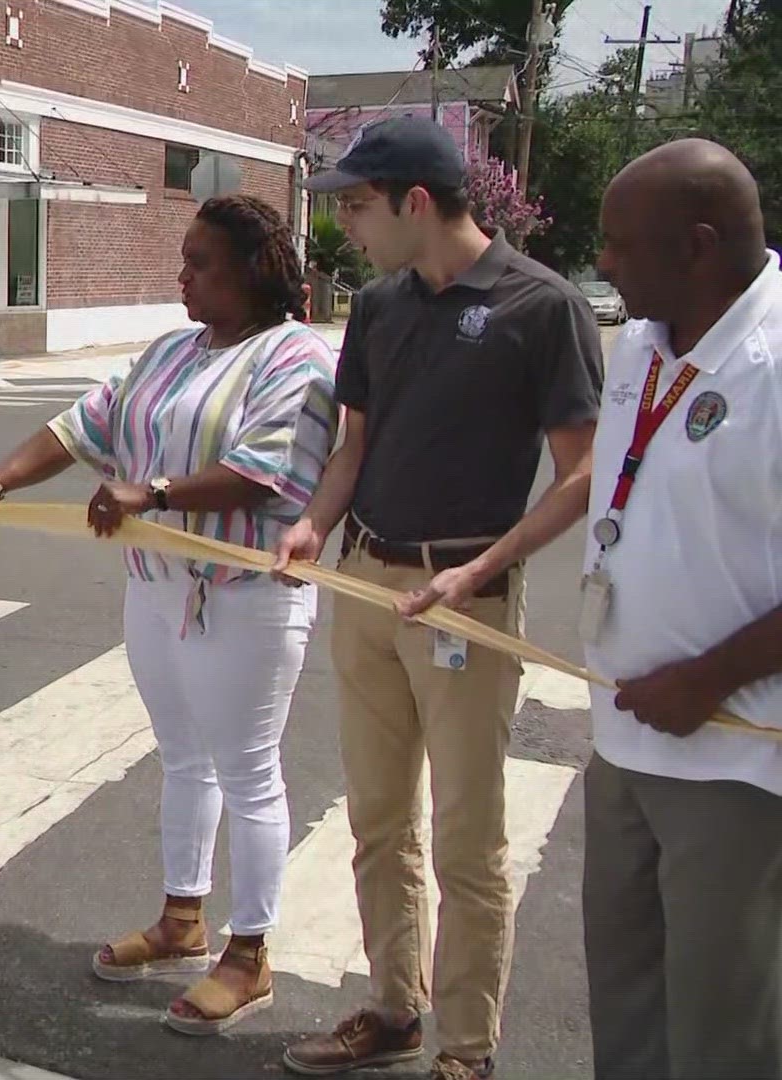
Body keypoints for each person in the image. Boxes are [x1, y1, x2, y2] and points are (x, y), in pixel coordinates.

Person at [0, 194, 336, 1034]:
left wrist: (151, 490)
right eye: (182, 262)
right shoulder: (171, 352)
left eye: (200, 264)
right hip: (155, 587)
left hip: (245, 598)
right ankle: (182, 918)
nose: (181, 278)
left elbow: (262, 471)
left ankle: (250, 952)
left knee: (248, 771)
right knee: (184, 760)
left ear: (253, 270)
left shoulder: (295, 357)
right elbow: (82, 427)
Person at [273, 116, 603, 1080]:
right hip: (366, 578)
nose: (348, 229)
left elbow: (579, 476)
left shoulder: (543, 308)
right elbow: (355, 447)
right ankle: (393, 1005)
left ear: (418, 202)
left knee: (468, 837)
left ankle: (468, 1046)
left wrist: (480, 566)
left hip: (466, 597)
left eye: (358, 207)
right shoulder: (378, 308)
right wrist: (312, 523)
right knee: (377, 818)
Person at [578, 139, 782, 1080]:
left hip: (737, 758)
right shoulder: (641, 343)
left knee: (718, 1026)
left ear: (698, 246)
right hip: (623, 741)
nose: (605, 263)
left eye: (621, 245)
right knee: (626, 1001)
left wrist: (706, 680)